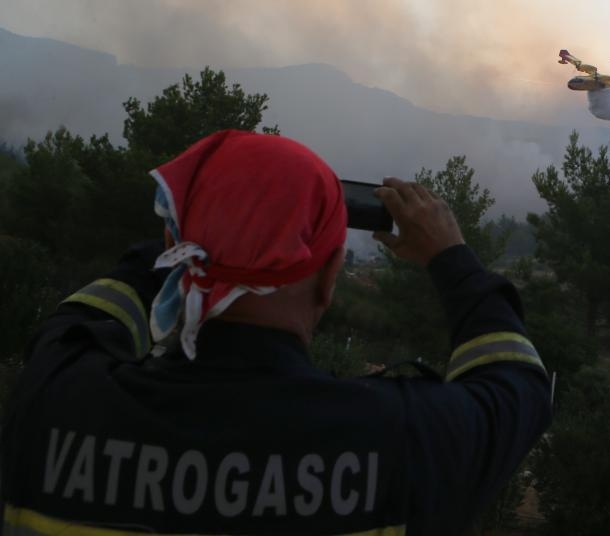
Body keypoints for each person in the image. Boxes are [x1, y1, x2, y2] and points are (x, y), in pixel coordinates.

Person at [1, 130, 551, 535]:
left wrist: (209, 214)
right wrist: (450, 256)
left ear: (176, 246)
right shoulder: (404, 439)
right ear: (332, 276)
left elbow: (87, 316)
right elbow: (518, 384)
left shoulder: (56, 401)